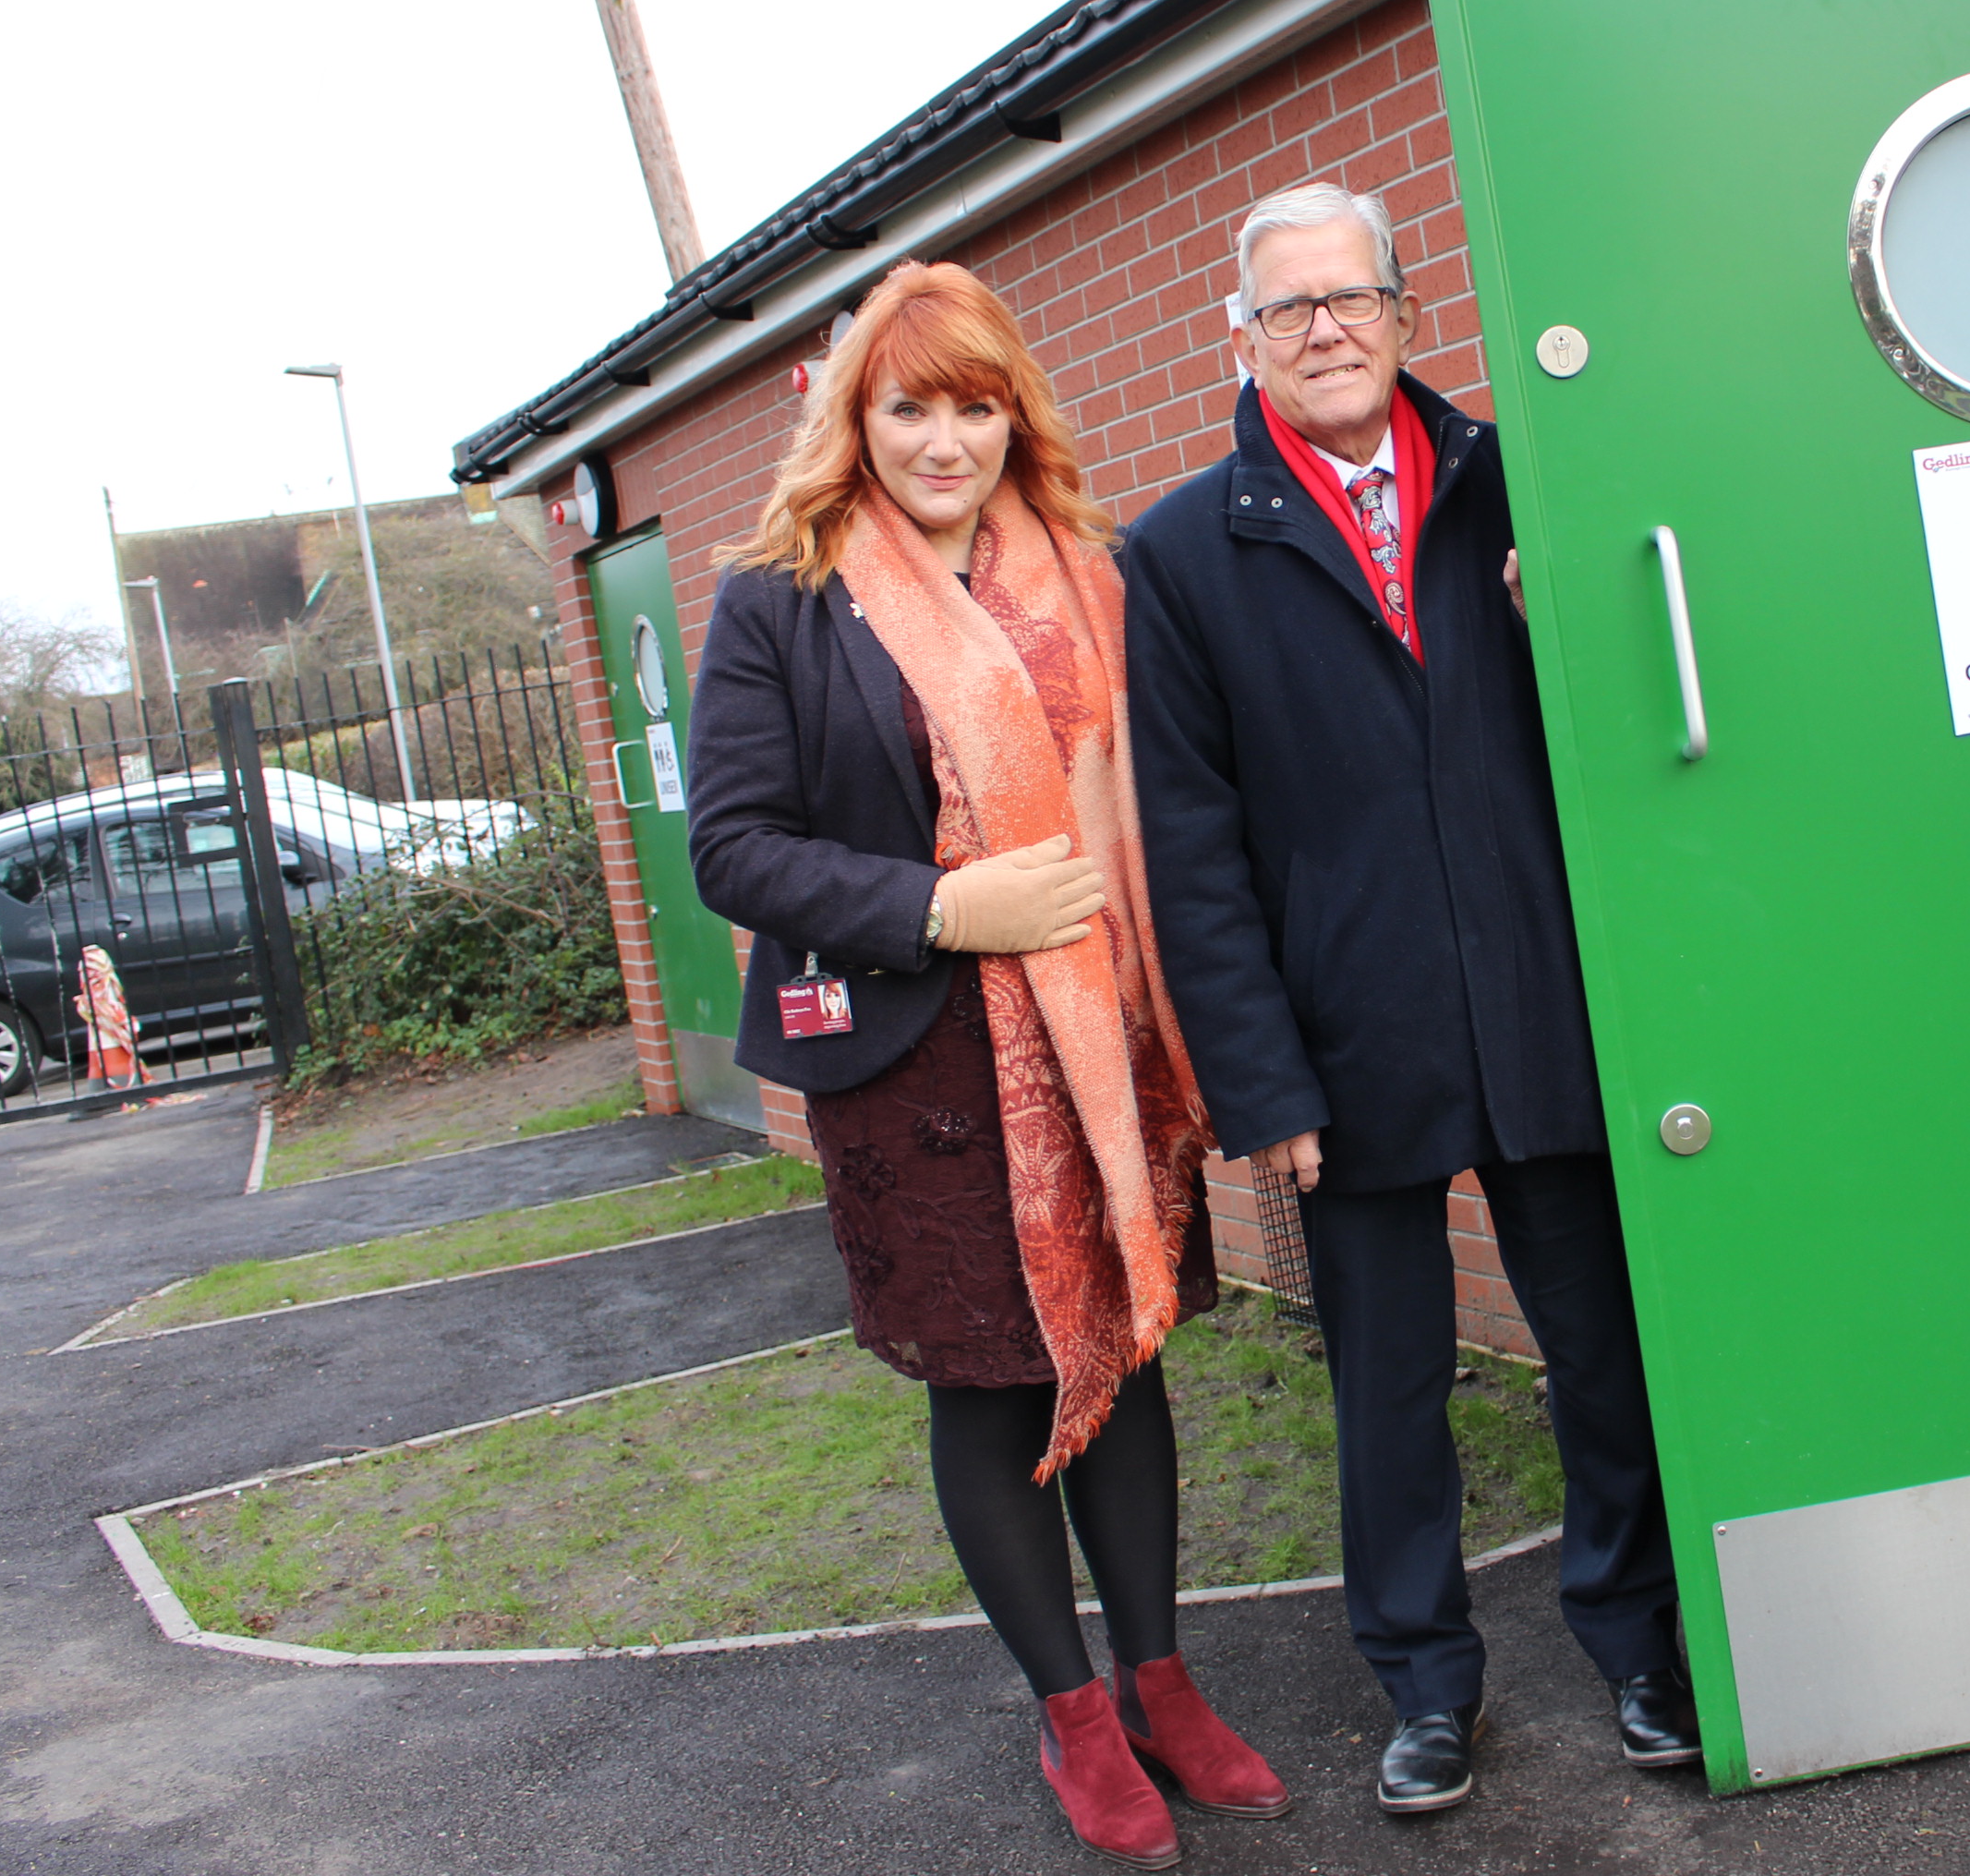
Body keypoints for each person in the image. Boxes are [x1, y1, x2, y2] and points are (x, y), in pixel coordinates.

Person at [685, 260, 1287, 1870]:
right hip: (917, 1063)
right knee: (995, 1378)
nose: (942, 440)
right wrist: (945, 904)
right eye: (907, 408)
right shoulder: (780, 597)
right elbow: (733, 850)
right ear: (852, 416)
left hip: (1105, 1043)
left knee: (1130, 1360)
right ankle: (1073, 1711)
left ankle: (1162, 1682)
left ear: (1010, 412)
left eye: (972, 406)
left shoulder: (1089, 576)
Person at [1121, 183, 1694, 1816]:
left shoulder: (1528, 486)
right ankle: (1427, 1685)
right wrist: (1260, 1082)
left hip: (1546, 1005)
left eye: (1350, 299)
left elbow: (1646, 709)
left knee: (1602, 1353)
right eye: (1287, 309)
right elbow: (1191, 845)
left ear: (1405, 311)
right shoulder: (1178, 554)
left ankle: (1640, 1643)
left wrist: (1561, 626)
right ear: (1243, 338)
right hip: (1344, 1042)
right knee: (1387, 1389)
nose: (1323, 331)